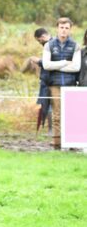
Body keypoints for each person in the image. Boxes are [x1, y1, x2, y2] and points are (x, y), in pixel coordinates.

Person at [42, 17, 80, 149]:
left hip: (70, 84)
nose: (64, 30)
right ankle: (57, 141)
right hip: (55, 84)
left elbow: (76, 67)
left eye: (66, 28)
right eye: (61, 28)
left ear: (70, 29)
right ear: (57, 28)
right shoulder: (49, 45)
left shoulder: (75, 45)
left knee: (70, 113)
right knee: (56, 113)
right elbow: (46, 65)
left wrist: (55, 65)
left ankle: (72, 141)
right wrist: (64, 63)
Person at [32, 28, 52, 134]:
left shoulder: (52, 45)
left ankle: (51, 130)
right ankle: (48, 129)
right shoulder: (48, 45)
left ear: (43, 37)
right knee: (45, 105)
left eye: (39, 41)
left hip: (49, 81)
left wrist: (38, 61)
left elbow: (50, 63)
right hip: (45, 80)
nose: (40, 43)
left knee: (49, 105)